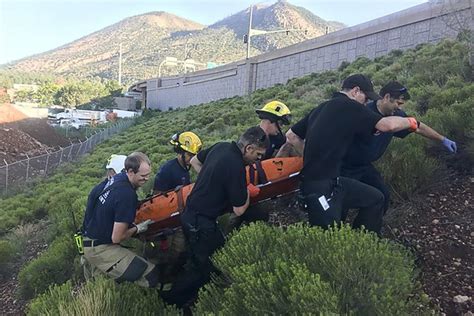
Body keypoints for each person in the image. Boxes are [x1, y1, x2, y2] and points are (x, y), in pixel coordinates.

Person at [286, 74, 421, 234]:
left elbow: (291, 136)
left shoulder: (321, 107)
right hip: (320, 187)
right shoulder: (350, 106)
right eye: (366, 98)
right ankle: (347, 248)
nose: (366, 103)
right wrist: (411, 122)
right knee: (327, 236)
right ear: (356, 91)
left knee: (376, 198)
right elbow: (387, 126)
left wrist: (312, 156)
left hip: (333, 181)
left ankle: (362, 242)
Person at [161, 126, 268, 307]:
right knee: (205, 267)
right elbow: (240, 209)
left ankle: (185, 295)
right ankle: (172, 302)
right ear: (248, 148)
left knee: (203, 258)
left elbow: (195, 161)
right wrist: (247, 191)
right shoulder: (236, 167)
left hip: (191, 215)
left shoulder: (221, 146)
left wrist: (212, 182)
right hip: (201, 223)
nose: (258, 159)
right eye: (258, 154)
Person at [341, 81, 457, 215]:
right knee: (341, 204)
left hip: (364, 166)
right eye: (398, 103)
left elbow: (417, 126)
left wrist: (442, 139)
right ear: (386, 97)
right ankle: (335, 232)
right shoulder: (366, 112)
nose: (399, 108)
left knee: (382, 196)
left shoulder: (398, 115)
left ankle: (369, 231)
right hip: (345, 166)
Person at [82, 152, 159, 287]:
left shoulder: (115, 180)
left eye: (148, 175)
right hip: (101, 248)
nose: (147, 179)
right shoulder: (126, 195)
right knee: (149, 274)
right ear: (130, 171)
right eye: (143, 176)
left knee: (105, 286)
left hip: (90, 241)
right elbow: (117, 238)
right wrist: (137, 228)